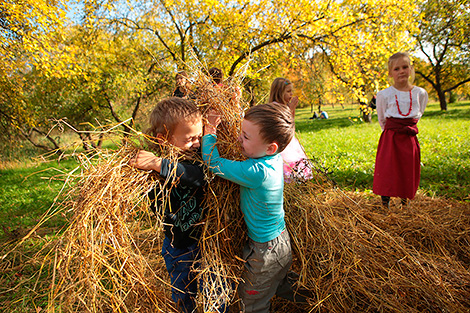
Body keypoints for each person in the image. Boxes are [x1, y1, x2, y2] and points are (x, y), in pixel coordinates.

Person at [202, 102, 307, 313]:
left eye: (246, 137)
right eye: (242, 133)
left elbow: (212, 163)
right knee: (279, 283)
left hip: (265, 250)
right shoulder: (273, 158)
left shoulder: (257, 171)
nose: (240, 138)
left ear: (270, 148)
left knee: (251, 302)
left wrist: (210, 130)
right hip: (279, 242)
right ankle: (313, 299)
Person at [129, 97, 219, 312]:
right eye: (190, 139)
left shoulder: (198, 159)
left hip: (207, 244)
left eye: (200, 136)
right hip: (177, 246)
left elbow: (200, 176)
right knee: (182, 291)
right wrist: (153, 169)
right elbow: (157, 206)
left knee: (214, 295)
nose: (197, 143)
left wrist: (158, 163)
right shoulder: (153, 173)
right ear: (163, 140)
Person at [373, 52, 428, 208]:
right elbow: (382, 119)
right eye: (396, 69)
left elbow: (419, 113)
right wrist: (394, 131)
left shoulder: (420, 93)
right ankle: (385, 204)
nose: (401, 71)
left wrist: (406, 128)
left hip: (409, 137)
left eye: (405, 67)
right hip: (391, 138)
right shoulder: (384, 95)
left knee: (407, 169)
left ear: (411, 69)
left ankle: (405, 203)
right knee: (388, 170)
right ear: (391, 73)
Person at [269, 77, 313, 182]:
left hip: (289, 140)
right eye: (288, 91)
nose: (291, 94)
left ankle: (293, 185)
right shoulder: (274, 107)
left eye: (291, 91)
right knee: (285, 165)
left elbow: (291, 125)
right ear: (279, 93)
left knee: (295, 165)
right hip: (281, 143)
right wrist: (290, 109)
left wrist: (291, 110)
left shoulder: (285, 106)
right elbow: (282, 125)